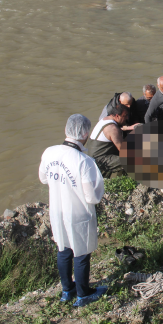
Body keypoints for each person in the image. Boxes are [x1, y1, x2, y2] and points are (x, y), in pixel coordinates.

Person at [38, 114, 108, 307]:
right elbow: (91, 197)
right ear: (85, 134)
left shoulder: (49, 152)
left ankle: (67, 290)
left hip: (57, 210)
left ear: (66, 130)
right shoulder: (83, 161)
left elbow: (44, 178)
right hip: (77, 213)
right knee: (81, 252)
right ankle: (84, 294)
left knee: (63, 248)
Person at [89, 103, 138, 178]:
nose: (127, 118)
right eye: (125, 116)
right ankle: (122, 180)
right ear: (117, 116)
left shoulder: (105, 119)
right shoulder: (113, 128)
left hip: (92, 158)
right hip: (100, 160)